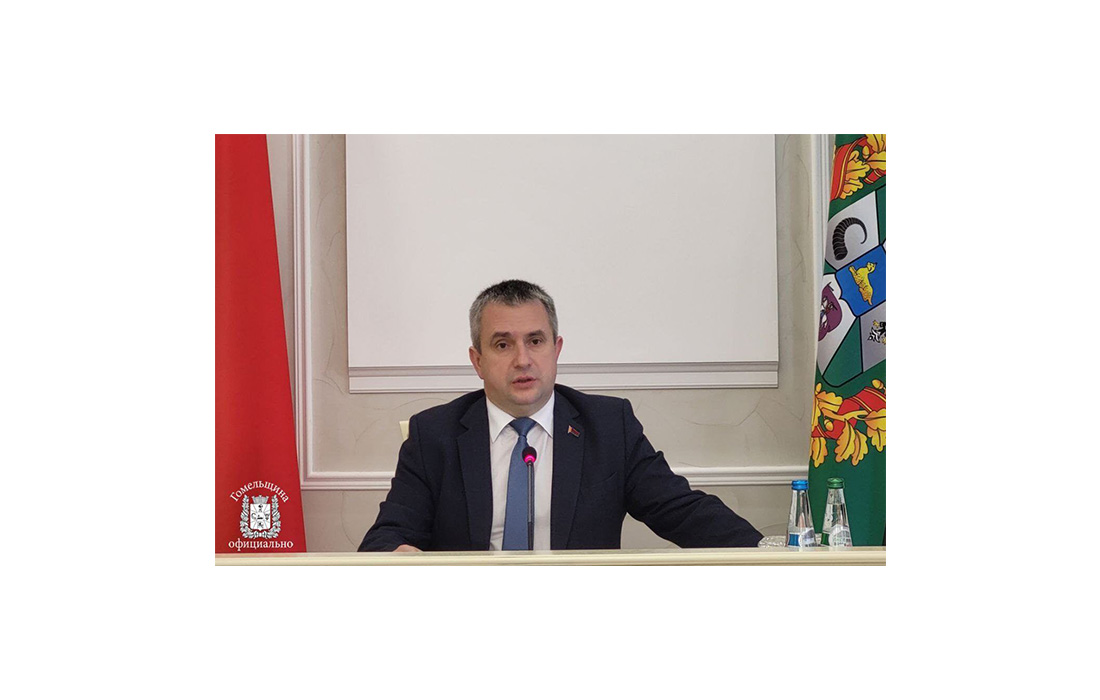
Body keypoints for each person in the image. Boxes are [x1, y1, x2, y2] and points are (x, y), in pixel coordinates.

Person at [358, 280, 763, 552]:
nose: (523, 359)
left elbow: (683, 511)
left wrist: (768, 554)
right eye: (503, 345)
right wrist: (397, 554)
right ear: (477, 361)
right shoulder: (435, 435)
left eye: (535, 341)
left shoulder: (609, 426)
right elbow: (387, 535)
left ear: (556, 349)